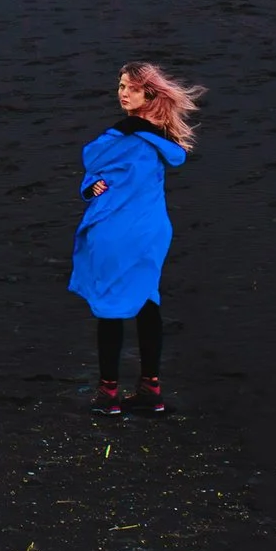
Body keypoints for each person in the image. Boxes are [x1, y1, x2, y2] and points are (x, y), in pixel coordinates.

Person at [70, 61, 203, 416]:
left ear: (148, 93)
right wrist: (90, 186)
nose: (122, 93)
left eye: (130, 87)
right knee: (147, 301)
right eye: (121, 86)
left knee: (110, 307)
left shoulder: (124, 137)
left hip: (118, 230)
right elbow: (104, 177)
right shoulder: (162, 139)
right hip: (152, 230)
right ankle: (151, 389)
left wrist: (91, 184)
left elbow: (92, 159)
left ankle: (108, 394)